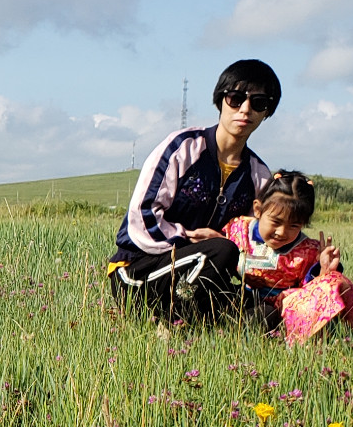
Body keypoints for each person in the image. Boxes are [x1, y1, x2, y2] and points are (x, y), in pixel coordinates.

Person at [109, 59, 280, 323]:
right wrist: (187, 238)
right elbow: (141, 216)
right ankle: (174, 321)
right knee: (222, 250)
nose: (245, 109)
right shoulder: (182, 149)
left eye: (258, 103)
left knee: (267, 315)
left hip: (206, 277)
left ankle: (191, 319)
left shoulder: (258, 175)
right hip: (140, 272)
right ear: (220, 100)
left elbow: (263, 238)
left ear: (267, 112)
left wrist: (315, 263)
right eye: (236, 98)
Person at [224, 170, 353, 344]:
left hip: (284, 313)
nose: (281, 232)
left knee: (335, 281)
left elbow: (311, 294)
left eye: (293, 225)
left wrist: (323, 270)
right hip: (239, 303)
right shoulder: (238, 230)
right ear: (258, 209)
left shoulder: (308, 251)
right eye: (276, 221)